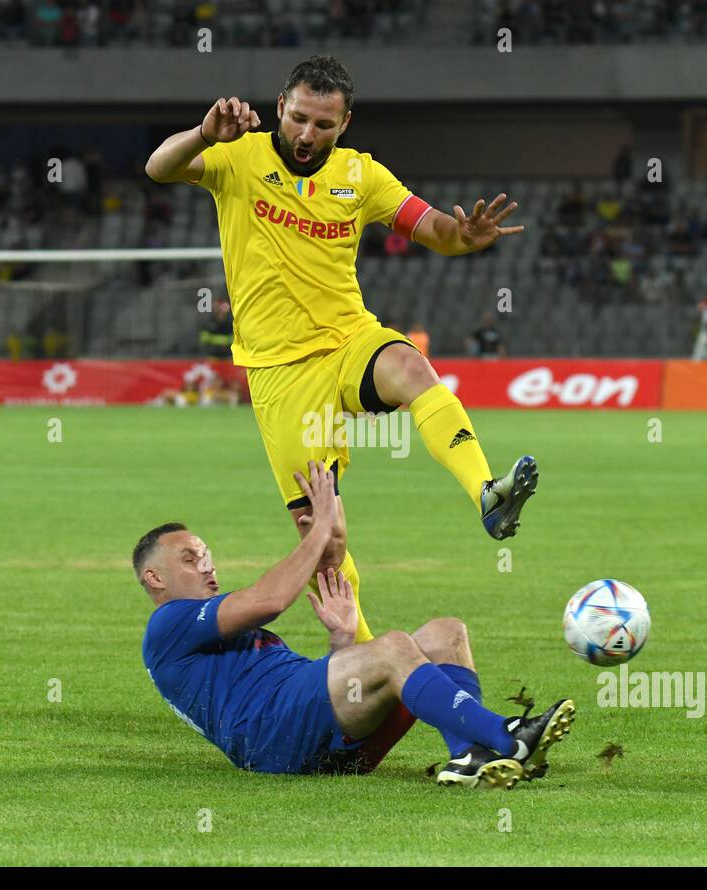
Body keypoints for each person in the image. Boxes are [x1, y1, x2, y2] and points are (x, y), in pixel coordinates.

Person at [144, 55, 539, 645]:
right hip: (280, 372)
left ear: (345, 122)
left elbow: (433, 228)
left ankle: (486, 492)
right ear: (280, 107)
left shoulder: (363, 175)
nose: (308, 134)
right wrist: (204, 133)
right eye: (299, 118)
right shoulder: (237, 156)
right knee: (324, 542)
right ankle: (369, 664)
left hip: (349, 340)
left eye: (323, 125)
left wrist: (466, 239)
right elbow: (158, 168)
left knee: (411, 367)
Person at [136, 461, 576, 787]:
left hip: (318, 742)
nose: (208, 566)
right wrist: (319, 529)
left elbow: (316, 697)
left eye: (206, 555)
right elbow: (269, 599)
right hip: (270, 739)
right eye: (191, 559)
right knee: (393, 647)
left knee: (447, 631)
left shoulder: (210, 632)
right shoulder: (166, 624)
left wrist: (341, 643)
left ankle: (469, 755)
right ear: (154, 578)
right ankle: (505, 736)